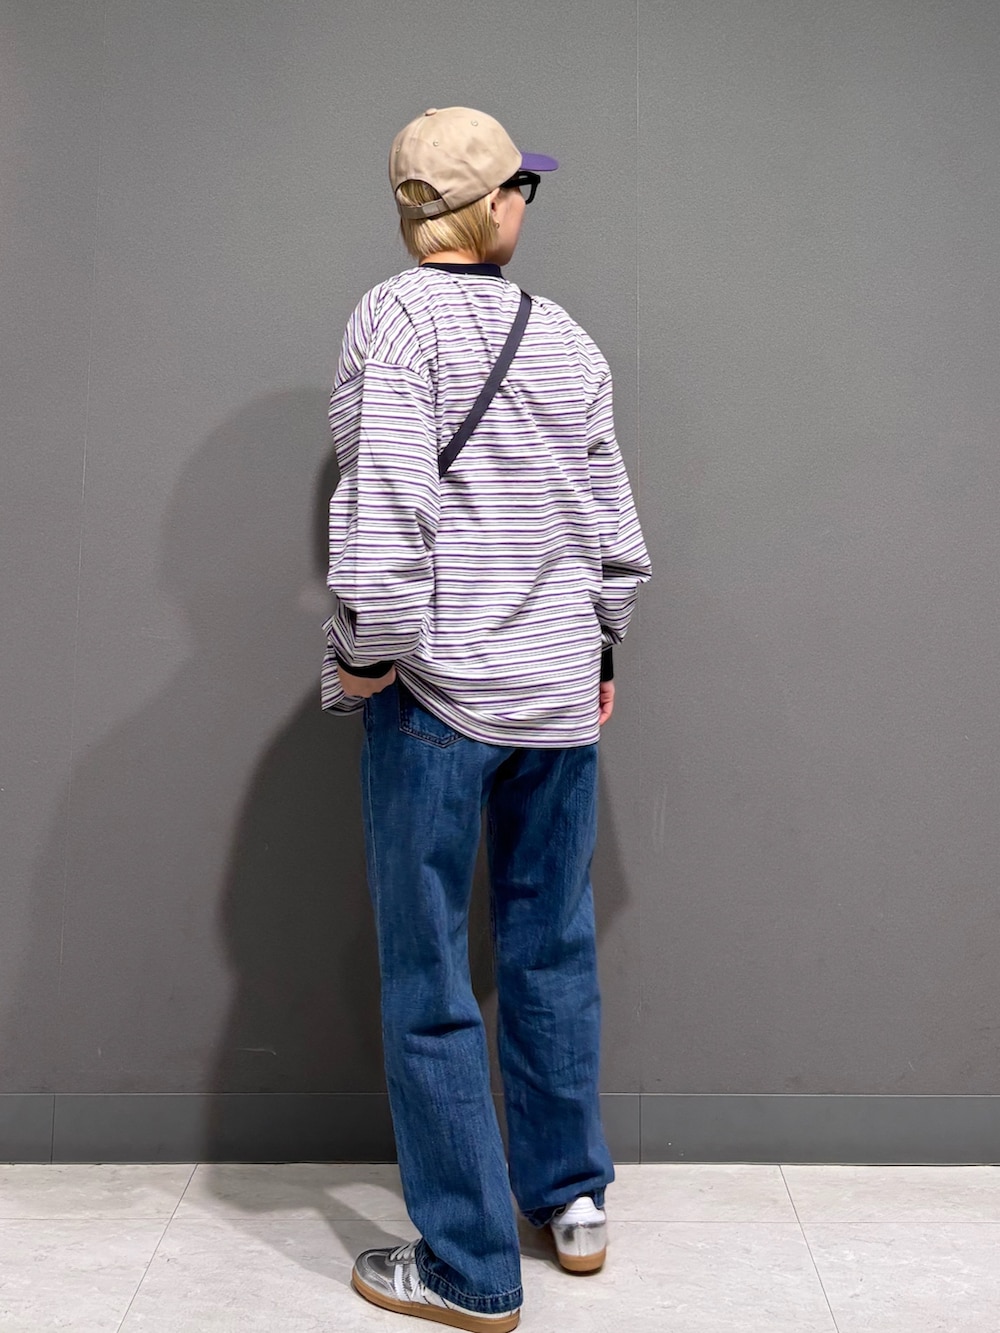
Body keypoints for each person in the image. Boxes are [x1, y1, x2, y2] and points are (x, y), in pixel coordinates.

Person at [322, 106, 651, 1332]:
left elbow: (387, 505)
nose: (525, 205)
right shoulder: (565, 335)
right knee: (549, 946)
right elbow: (610, 521)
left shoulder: (391, 321)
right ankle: (570, 1203)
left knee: (429, 975)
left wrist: (363, 654)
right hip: (558, 695)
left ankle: (467, 1265)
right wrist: (599, 644)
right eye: (522, 187)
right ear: (484, 205)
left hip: (438, 699)